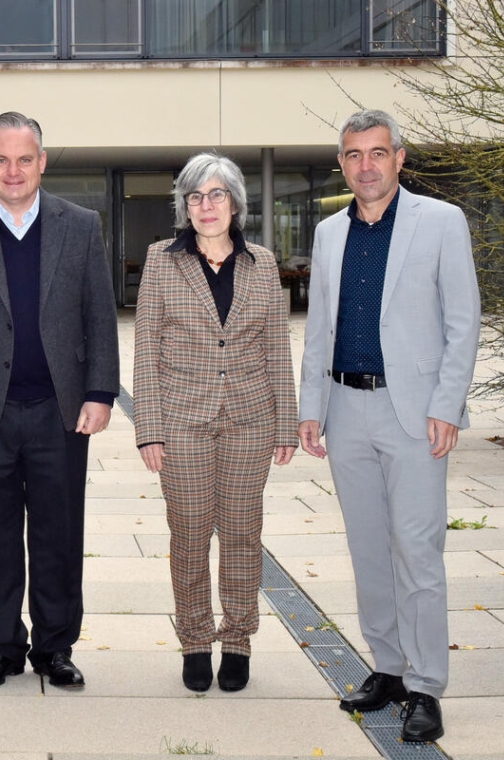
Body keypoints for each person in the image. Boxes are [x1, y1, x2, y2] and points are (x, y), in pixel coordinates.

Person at [298, 109, 480, 743]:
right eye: (353, 155)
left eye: (378, 153)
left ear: (399, 158)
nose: (366, 166)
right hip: (346, 410)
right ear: (342, 163)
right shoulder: (328, 233)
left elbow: (464, 321)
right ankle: (390, 669)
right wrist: (310, 408)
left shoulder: (440, 222)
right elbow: (318, 328)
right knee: (368, 548)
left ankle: (427, 686)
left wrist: (446, 405)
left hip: (415, 416)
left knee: (418, 551)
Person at [0, 111, 119, 690]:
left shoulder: (80, 225)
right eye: (1, 159)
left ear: (42, 162)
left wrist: (101, 391)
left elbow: (98, 314)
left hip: (61, 411)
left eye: (24, 159)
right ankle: (3, 646)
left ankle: (56, 647)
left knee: (60, 532)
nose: (14, 170)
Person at [133, 152, 297, 694]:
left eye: (217, 194)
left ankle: (239, 639)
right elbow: (146, 347)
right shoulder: (161, 259)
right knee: (189, 534)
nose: (207, 206)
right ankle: (196, 638)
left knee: (244, 536)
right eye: (196, 196)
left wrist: (286, 424)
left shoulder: (263, 263)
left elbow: (277, 347)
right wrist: (149, 427)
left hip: (251, 420)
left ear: (235, 203)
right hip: (181, 422)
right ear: (185, 205)